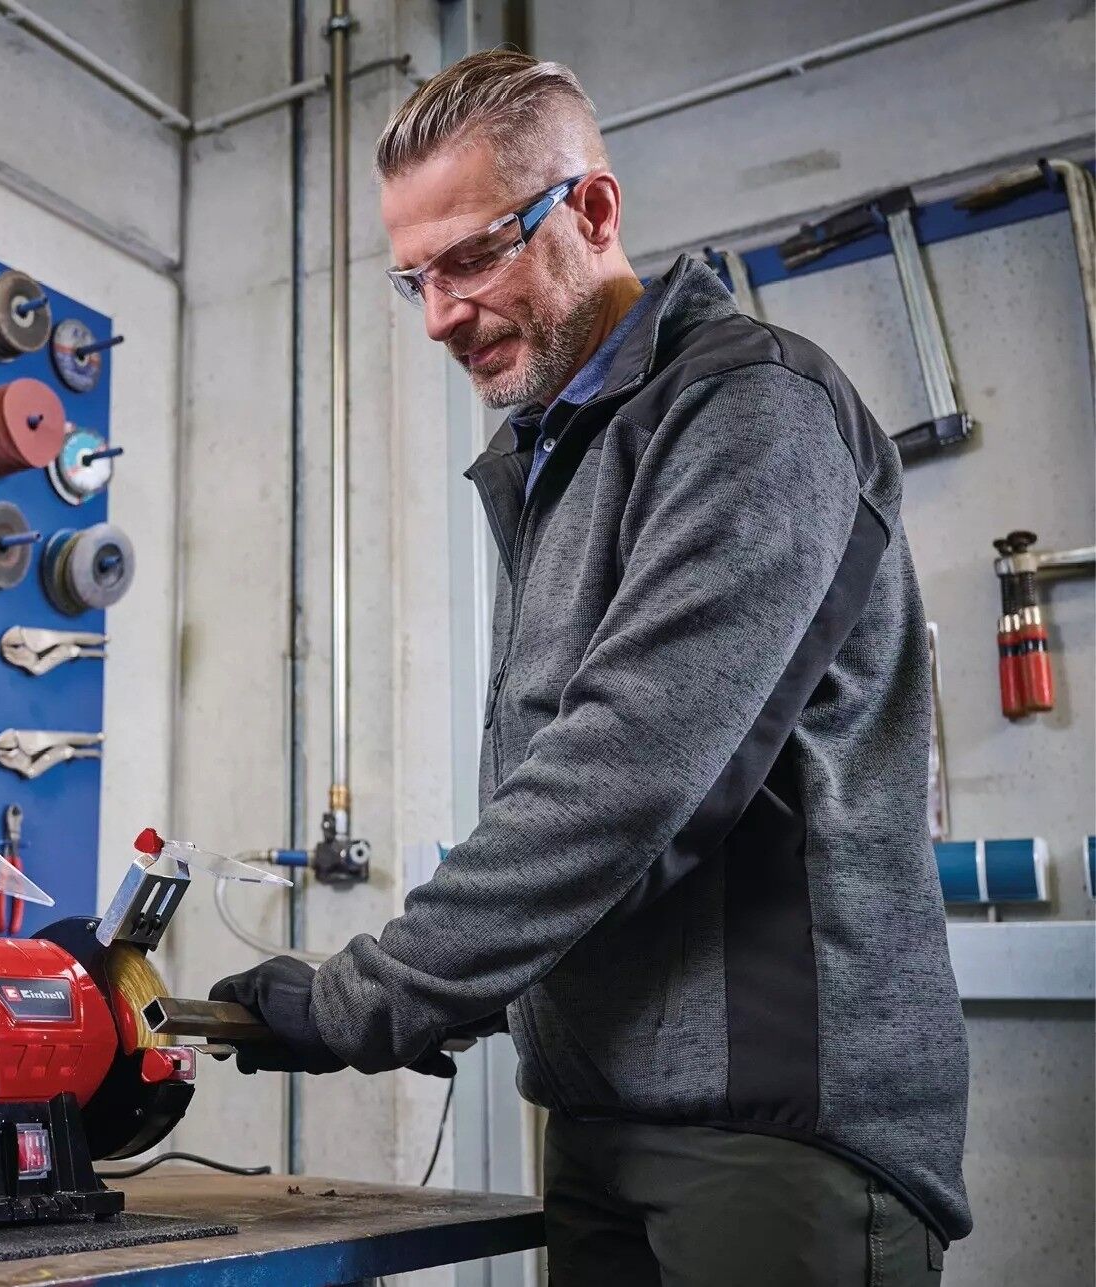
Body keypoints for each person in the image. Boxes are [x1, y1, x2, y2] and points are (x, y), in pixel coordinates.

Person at [210, 49, 969, 1286]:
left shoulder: (751, 409)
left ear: (593, 210)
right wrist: (466, 991)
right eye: (413, 279)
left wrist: (369, 997)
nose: (439, 315)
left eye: (470, 258)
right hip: (599, 1110)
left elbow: (626, 777)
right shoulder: (561, 455)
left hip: (769, 1128)